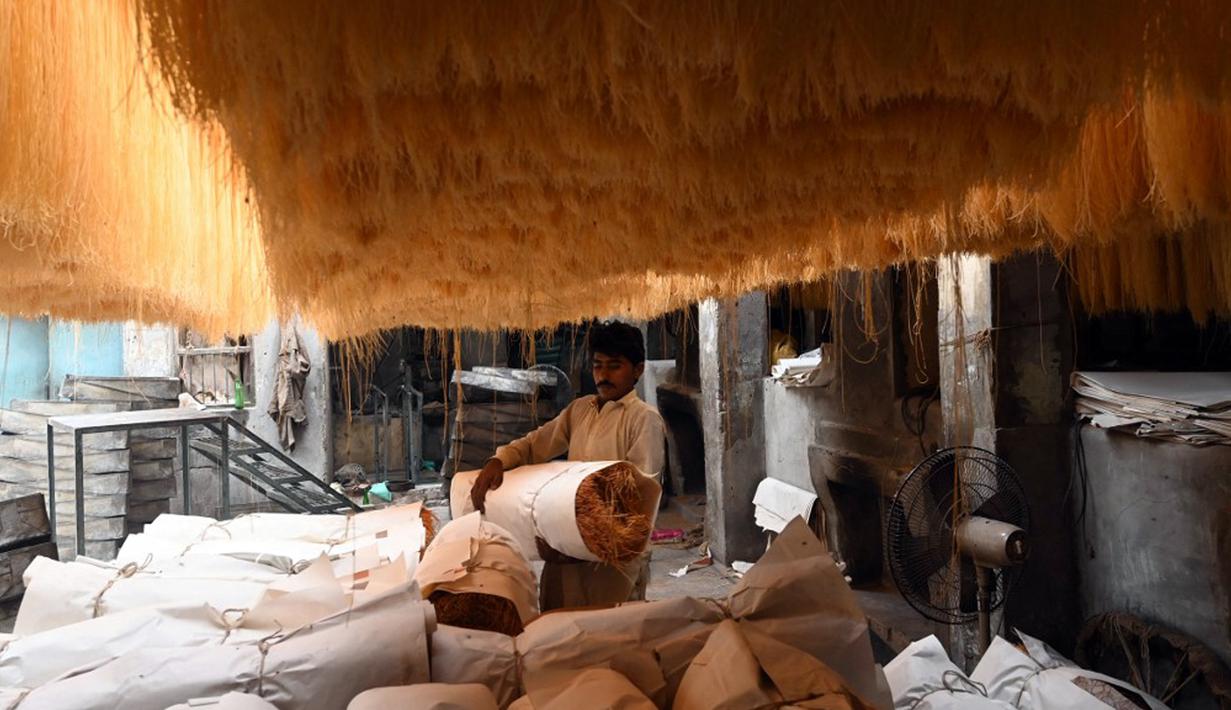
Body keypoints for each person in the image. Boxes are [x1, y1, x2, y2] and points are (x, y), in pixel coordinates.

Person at [470, 320, 665, 610]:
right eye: (598, 365)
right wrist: (499, 460)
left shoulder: (643, 418)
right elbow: (536, 444)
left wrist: (584, 541)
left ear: (638, 370)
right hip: (565, 542)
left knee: (607, 633)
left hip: (612, 556)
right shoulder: (580, 410)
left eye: (615, 366)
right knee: (558, 626)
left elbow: (640, 494)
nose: (603, 375)